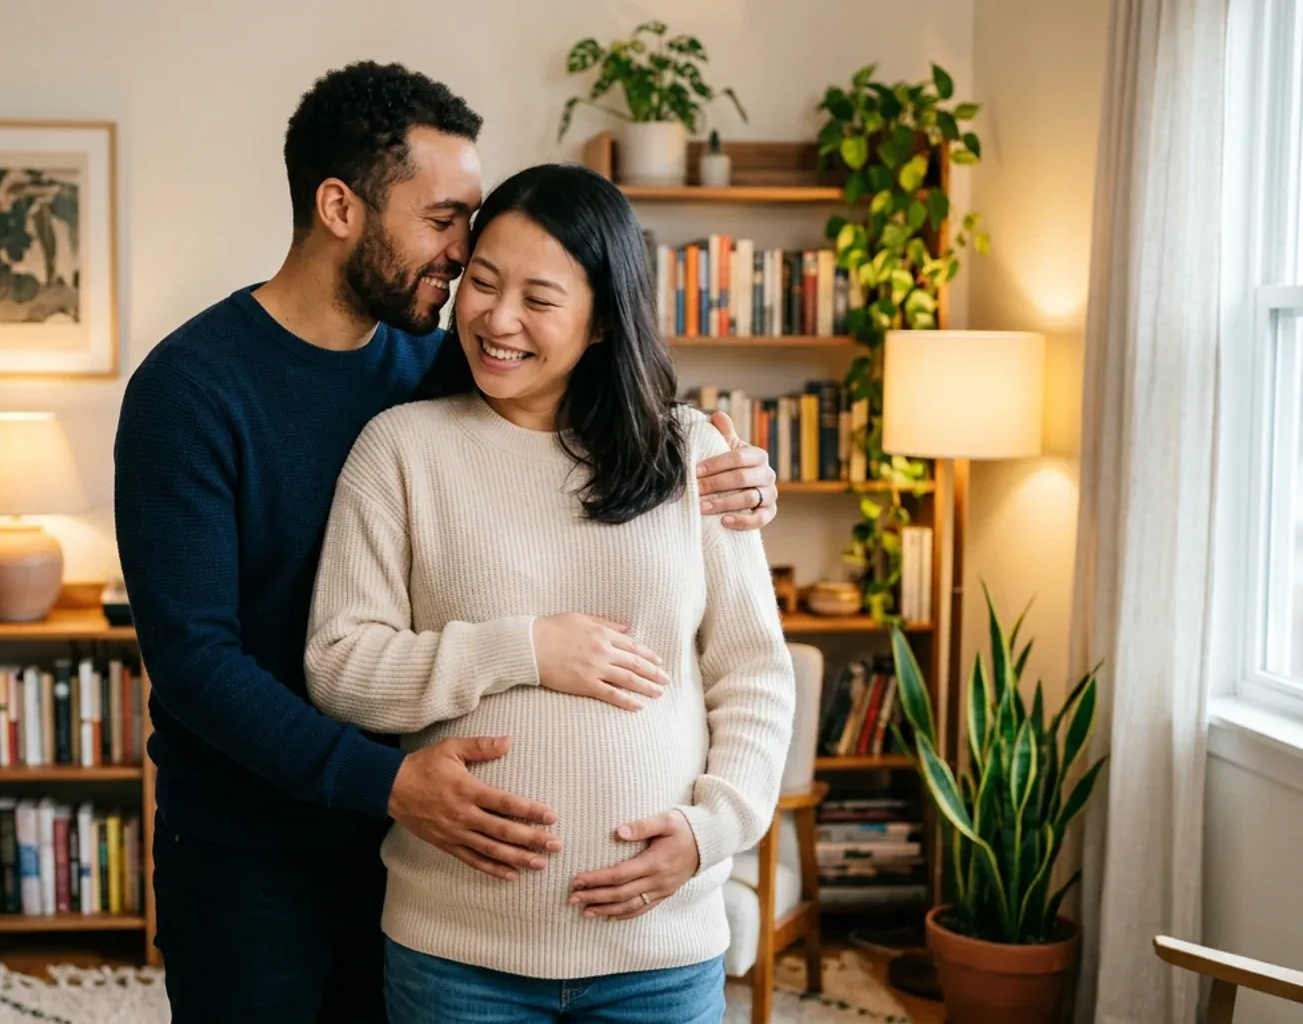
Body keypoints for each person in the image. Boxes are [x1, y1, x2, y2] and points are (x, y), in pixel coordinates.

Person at [113, 63, 781, 1023]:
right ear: (339, 207)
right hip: (258, 851)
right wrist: (389, 782)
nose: (466, 257)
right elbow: (193, 663)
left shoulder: (439, 359)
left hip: (424, 854)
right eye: (443, 220)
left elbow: (574, 403)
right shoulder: (190, 390)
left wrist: (731, 469)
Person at [303, 162, 797, 1024]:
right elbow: (339, 667)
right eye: (483, 283)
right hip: (457, 951)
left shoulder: (691, 453)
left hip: (660, 951)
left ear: (601, 319)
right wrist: (523, 648)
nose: (498, 320)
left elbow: (754, 674)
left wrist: (711, 831)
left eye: (539, 299)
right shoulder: (401, 450)